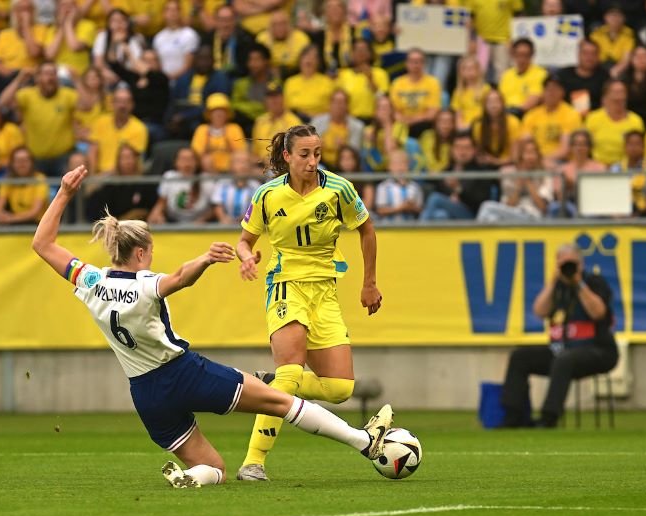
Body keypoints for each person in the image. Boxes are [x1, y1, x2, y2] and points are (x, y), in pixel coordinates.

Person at [30, 164, 394, 488]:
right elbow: (177, 279)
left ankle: (190, 476)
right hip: (182, 373)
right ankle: (364, 442)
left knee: (214, 467)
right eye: (150, 249)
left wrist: (63, 193)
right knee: (283, 402)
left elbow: (42, 243)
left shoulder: (90, 280)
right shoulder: (144, 284)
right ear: (140, 253)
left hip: (144, 394)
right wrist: (204, 259)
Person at [234, 123, 384, 482]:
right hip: (285, 285)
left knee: (339, 389)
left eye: (317, 154)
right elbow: (244, 240)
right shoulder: (268, 195)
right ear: (287, 156)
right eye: (304, 154)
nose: (312, 161)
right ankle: (253, 463)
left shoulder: (338, 189)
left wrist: (369, 283)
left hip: (325, 291)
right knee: (290, 372)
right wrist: (246, 257)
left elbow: (366, 229)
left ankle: (271, 383)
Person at [500, 243, 618, 428]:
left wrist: (578, 283)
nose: (567, 268)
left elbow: (598, 313)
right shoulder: (557, 286)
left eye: (572, 263)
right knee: (520, 357)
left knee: (564, 359)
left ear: (581, 263)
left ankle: (549, 418)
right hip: (562, 350)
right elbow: (539, 311)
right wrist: (553, 281)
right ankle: (513, 416)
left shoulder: (594, 282)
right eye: (563, 264)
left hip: (598, 350)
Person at [0, 62, 78, 178]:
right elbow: (2, 103)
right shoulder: (27, 95)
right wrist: (19, 80)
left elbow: (86, 105)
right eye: (46, 73)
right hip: (35, 159)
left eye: (53, 73)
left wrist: (77, 80)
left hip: (63, 157)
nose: (50, 77)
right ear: (37, 78)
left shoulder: (67, 94)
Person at [420, 131, 494, 221]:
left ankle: (417, 230)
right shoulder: (447, 170)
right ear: (452, 150)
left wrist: (459, 189)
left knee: (435, 198)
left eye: (467, 147)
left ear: (474, 150)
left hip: (471, 215)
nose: (462, 152)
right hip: (449, 212)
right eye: (458, 147)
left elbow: (481, 202)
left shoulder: (481, 172)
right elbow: (440, 190)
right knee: (440, 215)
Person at [477, 139, 553, 222]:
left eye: (533, 153)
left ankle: (475, 234)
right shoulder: (508, 174)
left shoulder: (545, 175)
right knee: (492, 218)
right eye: (527, 153)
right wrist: (518, 186)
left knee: (487, 207)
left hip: (533, 215)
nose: (530, 157)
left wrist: (527, 181)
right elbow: (509, 205)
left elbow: (543, 207)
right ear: (519, 156)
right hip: (512, 214)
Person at [521, 75, 582, 165]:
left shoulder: (571, 114)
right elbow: (524, 142)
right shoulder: (532, 115)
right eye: (548, 89)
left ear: (562, 92)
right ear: (543, 92)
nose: (551, 93)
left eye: (555, 89)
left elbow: (565, 150)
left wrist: (542, 160)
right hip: (533, 159)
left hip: (560, 161)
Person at [88, 86, 148, 174]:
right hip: (99, 176)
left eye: (126, 102)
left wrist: (107, 175)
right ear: (112, 104)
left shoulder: (139, 128)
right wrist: (92, 177)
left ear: (132, 105)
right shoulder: (101, 122)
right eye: (118, 101)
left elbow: (133, 162)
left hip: (124, 176)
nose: (122, 106)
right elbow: (93, 151)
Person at [584, 79, 645, 166]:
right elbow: (585, 146)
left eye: (621, 92)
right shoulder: (593, 118)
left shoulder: (636, 121)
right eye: (615, 92)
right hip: (598, 169)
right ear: (605, 97)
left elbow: (640, 151)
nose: (619, 96)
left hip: (626, 169)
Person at [0, 146, 48, 224]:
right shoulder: (8, 180)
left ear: (32, 162)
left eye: (25, 160)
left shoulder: (39, 179)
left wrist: (10, 218)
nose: (22, 164)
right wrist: (7, 218)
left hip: (38, 224)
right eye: (18, 161)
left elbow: (34, 212)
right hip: (16, 224)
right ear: (12, 163)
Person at [389, 48, 442, 137]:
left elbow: (432, 113)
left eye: (419, 61)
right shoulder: (397, 83)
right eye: (412, 61)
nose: (416, 65)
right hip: (402, 123)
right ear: (406, 64)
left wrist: (412, 120)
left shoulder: (433, 82)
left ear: (424, 64)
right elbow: (394, 110)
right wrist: (404, 120)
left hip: (423, 124)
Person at [190, 92, 247, 175]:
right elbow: (196, 155)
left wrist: (227, 142)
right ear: (209, 114)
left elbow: (240, 152)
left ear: (227, 114)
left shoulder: (234, 128)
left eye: (222, 111)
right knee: (207, 159)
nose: (219, 114)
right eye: (215, 111)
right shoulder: (202, 129)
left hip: (232, 171)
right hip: (207, 172)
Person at [611, 130, 646, 215]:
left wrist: (637, 216)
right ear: (625, 147)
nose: (633, 148)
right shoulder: (616, 168)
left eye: (637, 144)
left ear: (644, 147)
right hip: (620, 214)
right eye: (630, 144)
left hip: (645, 214)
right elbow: (612, 196)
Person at [310, 89, 365, 170]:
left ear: (347, 105)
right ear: (330, 104)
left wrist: (344, 147)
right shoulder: (316, 123)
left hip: (345, 166)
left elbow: (356, 152)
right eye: (335, 102)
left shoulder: (357, 126)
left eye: (341, 103)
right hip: (321, 163)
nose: (338, 106)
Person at [250, 82, 302, 162]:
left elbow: (296, 152)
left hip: (283, 164)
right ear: (265, 101)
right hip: (261, 164)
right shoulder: (260, 121)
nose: (273, 101)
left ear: (283, 98)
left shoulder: (293, 122)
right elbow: (255, 151)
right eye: (270, 97)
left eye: (276, 97)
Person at [557, 39, 610, 116]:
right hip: (566, 119)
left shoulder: (604, 77)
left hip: (595, 120)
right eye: (585, 53)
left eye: (593, 54)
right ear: (578, 54)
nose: (589, 57)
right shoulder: (564, 75)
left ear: (598, 56)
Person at [498, 38, 547, 120]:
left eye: (525, 55)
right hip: (505, 115)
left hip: (527, 115)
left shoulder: (541, 74)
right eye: (518, 55)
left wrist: (514, 112)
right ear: (513, 55)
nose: (522, 59)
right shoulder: (507, 75)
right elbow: (500, 98)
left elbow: (533, 100)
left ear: (532, 55)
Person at [283, 44, 335, 121]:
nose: (309, 60)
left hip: (319, 121)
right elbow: (285, 108)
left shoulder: (327, 82)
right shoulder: (290, 82)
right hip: (295, 122)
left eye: (313, 57)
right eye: (306, 56)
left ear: (318, 62)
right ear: (300, 60)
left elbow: (332, 109)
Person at [152, 0, 200, 82]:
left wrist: (169, 77)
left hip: (184, 81)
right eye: (169, 10)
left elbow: (188, 65)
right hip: (163, 82)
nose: (172, 13)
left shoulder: (189, 34)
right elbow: (157, 64)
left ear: (181, 13)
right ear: (163, 14)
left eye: (176, 10)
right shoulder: (158, 38)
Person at [256, 9, 311, 78]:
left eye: (283, 23)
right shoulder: (262, 38)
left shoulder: (301, 37)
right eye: (275, 24)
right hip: (269, 75)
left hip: (296, 74)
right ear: (269, 26)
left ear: (289, 24)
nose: (279, 28)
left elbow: (308, 62)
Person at [211, 150, 263, 224]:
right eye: (238, 162)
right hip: (225, 228)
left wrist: (246, 218)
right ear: (230, 166)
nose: (243, 165)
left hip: (248, 226)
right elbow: (217, 205)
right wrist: (223, 219)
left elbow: (258, 208)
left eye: (246, 162)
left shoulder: (256, 186)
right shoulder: (222, 184)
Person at [374, 148, 423, 221]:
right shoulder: (383, 186)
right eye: (396, 164)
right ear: (389, 167)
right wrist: (400, 208)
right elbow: (381, 210)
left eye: (403, 163)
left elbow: (420, 209)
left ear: (408, 166)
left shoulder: (415, 186)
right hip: (389, 229)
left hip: (411, 229)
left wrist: (411, 207)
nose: (400, 167)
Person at [589, 4, 635, 78]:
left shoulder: (629, 35)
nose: (615, 18)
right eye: (611, 15)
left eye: (618, 15)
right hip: (598, 67)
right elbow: (591, 55)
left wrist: (615, 71)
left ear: (624, 18)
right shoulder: (596, 34)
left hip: (619, 68)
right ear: (605, 17)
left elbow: (626, 60)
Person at [450, 55, 490, 131]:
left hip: (481, 124)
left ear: (478, 70)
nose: (469, 72)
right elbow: (458, 112)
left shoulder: (485, 89)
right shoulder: (458, 92)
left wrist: (473, 124)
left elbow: (487, 111)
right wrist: (460, 126)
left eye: (472, 68)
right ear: (461, 72)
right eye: (466, 69)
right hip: (463, 126)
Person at [0, 98, 24, 176]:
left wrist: (0, 164)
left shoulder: (11, 129)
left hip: (8, 169)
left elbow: (18, 155)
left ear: (0, 113)